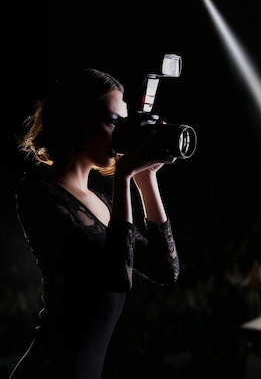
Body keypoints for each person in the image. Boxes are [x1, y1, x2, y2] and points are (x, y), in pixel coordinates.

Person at [9, 68, 180, 379]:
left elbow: (166, 269)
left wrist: (146, 179)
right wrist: (124, 176)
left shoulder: (101, 200)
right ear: (77, 121)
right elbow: (118, 277)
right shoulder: (37, 192)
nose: (122, 133)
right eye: (113, 122)